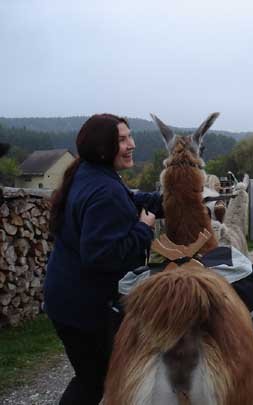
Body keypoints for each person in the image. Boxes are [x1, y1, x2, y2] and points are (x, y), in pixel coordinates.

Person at [44, 114, 163, 405]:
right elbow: (102, 256)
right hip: (83, 309)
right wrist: (143, 229)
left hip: (68, 300)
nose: (131, 144)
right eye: (122, 139)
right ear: (102, 147)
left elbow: (127, 200)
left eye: (130, 136)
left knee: (94, 377)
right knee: (94, 381)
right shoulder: (103, 190)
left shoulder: (91, 174)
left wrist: (167, 200)